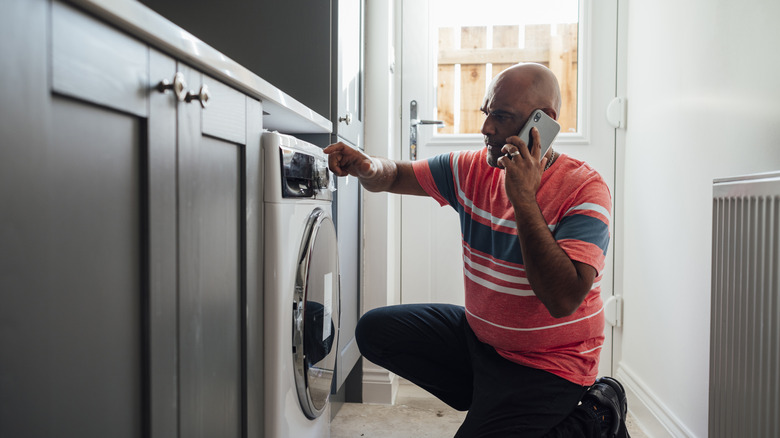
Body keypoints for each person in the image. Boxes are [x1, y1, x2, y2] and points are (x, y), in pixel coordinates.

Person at [324, 63, 629, 438]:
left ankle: (594, 417)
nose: (486, 128)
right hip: (482, 344)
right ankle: (493, 399)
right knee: (374, 332)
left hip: (551, 365)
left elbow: (562, 299)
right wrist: (368, 166)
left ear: (542, 121)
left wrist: (523, 200)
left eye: (500, 117)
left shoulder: (585, 189)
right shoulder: (470, 169)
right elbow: (397, 174)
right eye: (487, 113)